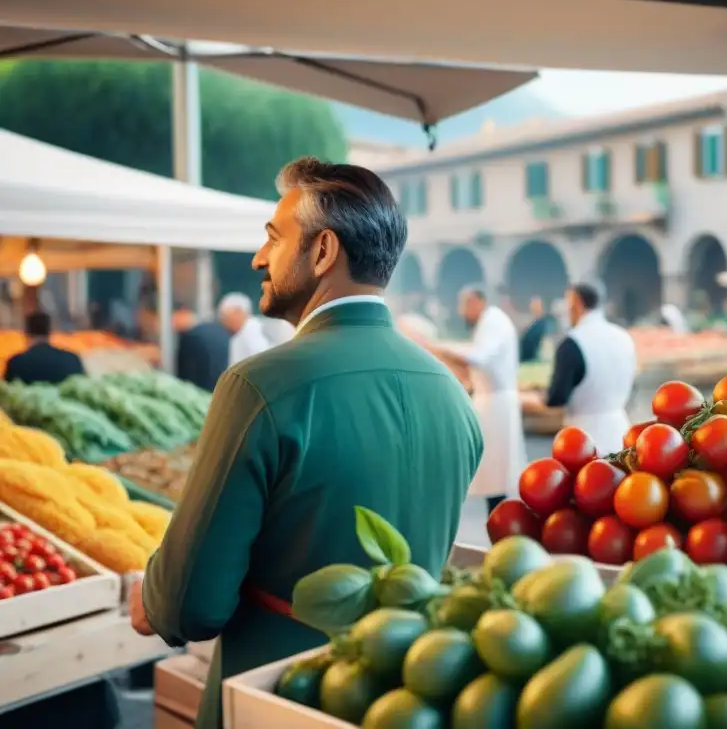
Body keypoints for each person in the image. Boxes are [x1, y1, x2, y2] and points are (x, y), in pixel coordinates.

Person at [129, 157, 483, 729]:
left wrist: (150, 599)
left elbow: (190, 606)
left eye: (273, 238)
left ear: (322, 252)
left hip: (280, 695)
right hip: (409, 696)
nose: (258, 258)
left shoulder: (258, 386)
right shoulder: (452, 394)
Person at [420, 285, 527, 514]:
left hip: (496, 405)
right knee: (492, 474)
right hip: (490, 403)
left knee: (496, 476)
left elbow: (478, 357)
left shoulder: (494, 322)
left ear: (476, 301)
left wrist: (439, 348)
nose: (461, 312)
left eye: (463, 305)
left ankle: (499, 524)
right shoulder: (489, 322)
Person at [522, 281, 637, 455]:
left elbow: (556, 399)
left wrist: (522, 399)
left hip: (583, 440)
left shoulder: (572, 342)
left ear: (577, 302)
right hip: (621, 431)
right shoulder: (624, 337)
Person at [3, 312, 85, 385]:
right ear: (50, 332)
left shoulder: (16, 363)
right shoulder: (72, 359)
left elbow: (6, 393)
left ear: (26, 333)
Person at [174, 303, 231, 392]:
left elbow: (184, 374)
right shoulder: (216, 331)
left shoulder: (192, 336)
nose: (172, 323)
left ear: (183, 312)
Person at [218, 292, 271, 366]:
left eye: (225, 317)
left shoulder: (252, 335)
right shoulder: (240, 334)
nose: (224, 323)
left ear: (238, 312)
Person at [519, 296, 554, 363]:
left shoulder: (543, 323)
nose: (533, 307)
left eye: (536, 305)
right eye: (532, 305)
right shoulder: (532, 323)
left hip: (534, 359)